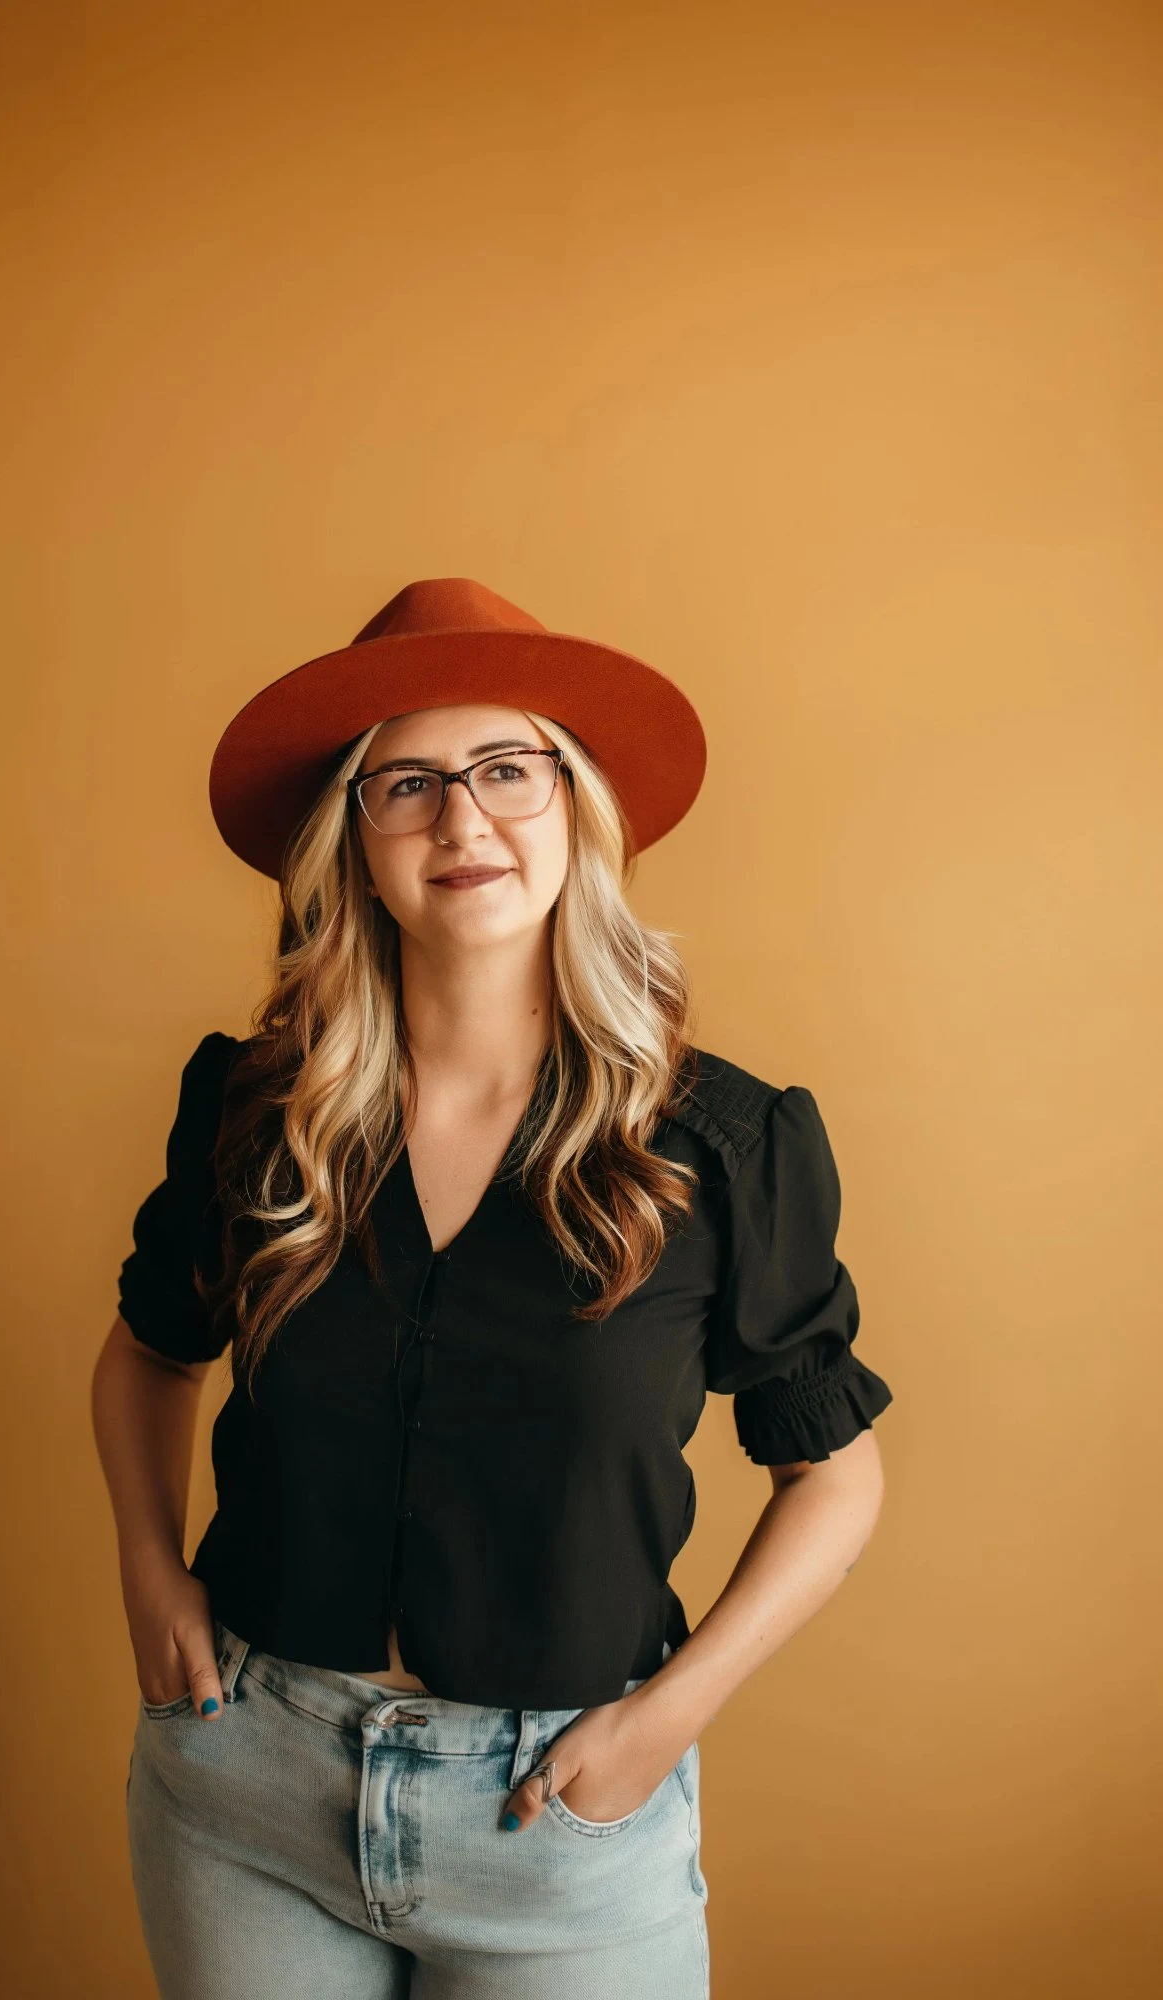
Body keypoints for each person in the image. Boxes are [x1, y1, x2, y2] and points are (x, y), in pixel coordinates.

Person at [91, 577, 894, 1999]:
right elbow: (151, 1353)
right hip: (244, 1792)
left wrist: (666, 1717)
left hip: (560, 1828)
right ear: (357, 838)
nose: (464, 821)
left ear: (577, 810)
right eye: (408, 784)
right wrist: (151, 1569)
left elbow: (833, 1471)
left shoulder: (725, 1147)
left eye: (508, 770)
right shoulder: (255, 1107)